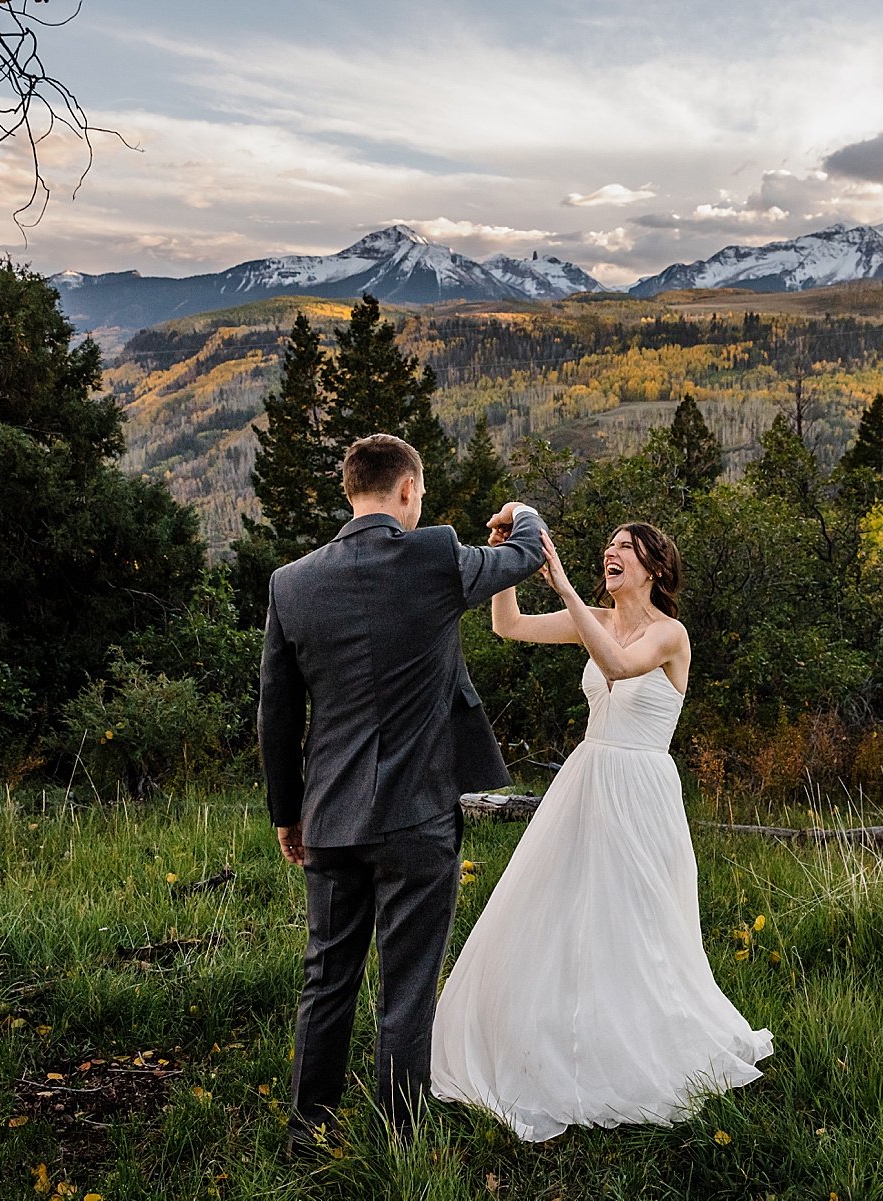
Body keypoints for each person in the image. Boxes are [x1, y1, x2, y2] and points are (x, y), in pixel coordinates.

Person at [430, 520, 772, 1141]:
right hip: (585, 782)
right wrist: (513, 557)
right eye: (608, 546)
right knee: (557, 912)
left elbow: (615, 666)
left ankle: (636, 1043)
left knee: (635, 924)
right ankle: (553, 1037)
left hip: (641, 790)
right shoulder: (594, 617)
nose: (611, 553)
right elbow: (507, 627)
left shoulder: (670, 634)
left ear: (655, 568)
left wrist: (560, 586)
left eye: (626, 547)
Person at [258, 432, 547, 1148]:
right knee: (407, 991)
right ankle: (399, 1140)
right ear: (409, 490)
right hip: (418, 818)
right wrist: (525, 512)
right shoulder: (435, 556)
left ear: (349, 490)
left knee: (327, 977)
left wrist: (286, 813)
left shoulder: (291, 583)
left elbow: (276, 712)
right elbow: (524, 556)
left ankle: (309, 1128)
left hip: (329, 817)